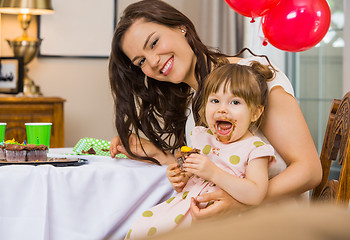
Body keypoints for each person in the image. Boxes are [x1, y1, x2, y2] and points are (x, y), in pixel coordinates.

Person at [109, 0, 321, 220]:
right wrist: (158, 154)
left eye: (153, 43)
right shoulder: (196, 108)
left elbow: (309, 171)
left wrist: (240, 202)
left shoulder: (252, 79)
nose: (152, 62)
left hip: (276, 222)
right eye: (141, 61)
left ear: (180, 27)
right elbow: (221, 169)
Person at [125, 62, 285, 239]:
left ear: (255, 113)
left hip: (227, 221)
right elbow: (194, 181)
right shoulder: (202, 137)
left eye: (235, 102)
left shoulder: (254, 149)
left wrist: (213, 172)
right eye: (215, 101)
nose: (222, 109)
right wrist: (180, 178)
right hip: (187, 208)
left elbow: (255, 194)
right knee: (144, 225)